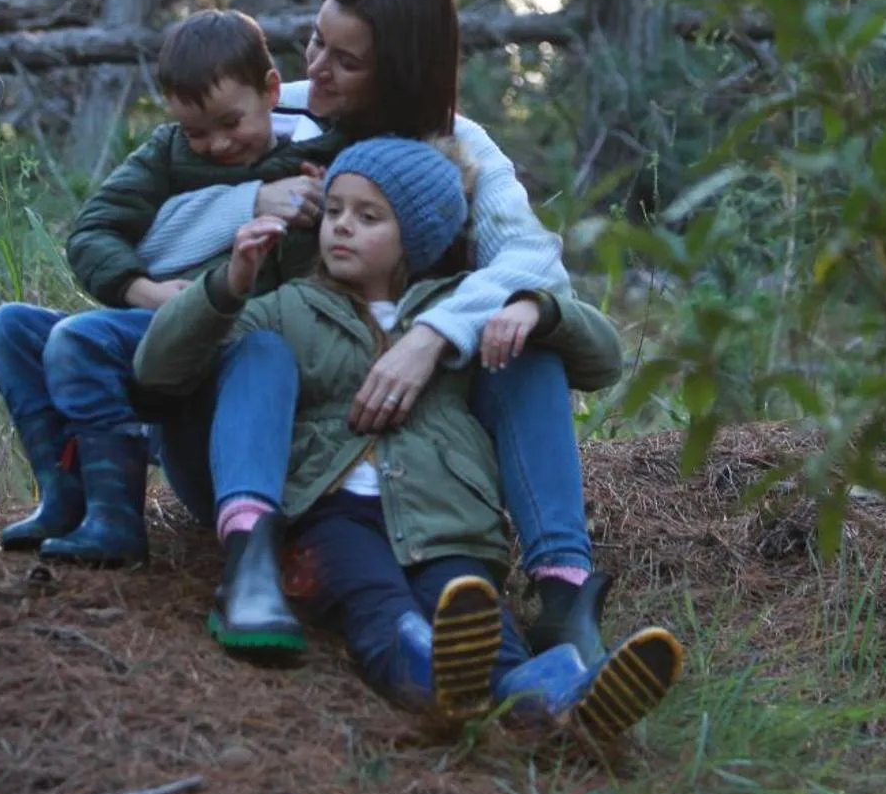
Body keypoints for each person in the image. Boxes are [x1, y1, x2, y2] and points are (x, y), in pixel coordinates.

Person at [138, 0, 619, 667]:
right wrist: (253, 201)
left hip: (412, 447)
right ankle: (245, 549)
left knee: (528, 332)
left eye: (346, 59)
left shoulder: (460, 147)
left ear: (398, 71)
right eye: (315, 42)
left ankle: (562, 594)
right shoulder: (268, 113)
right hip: (272, 428)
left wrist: (431, 336)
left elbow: (532, 259)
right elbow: (141, 238)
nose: (316, 68)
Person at [133, 137, 682, 738]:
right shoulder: (288, 308)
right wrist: (228, 285)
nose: (341, 227)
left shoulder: (457, 308)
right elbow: (157, 366)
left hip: (446, 518)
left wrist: (536, 309)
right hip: (329, 515)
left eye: (368, 217)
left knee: (474, 614)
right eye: (335, 210)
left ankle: (562, 697)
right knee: (381, 607)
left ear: (415, 239)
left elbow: (603, 358)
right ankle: (435, 683)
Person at [0, 9, 340, 564]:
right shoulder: (168, 153)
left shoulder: (319, 160)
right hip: (158, 322)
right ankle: (66, 494)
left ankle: (117, 521)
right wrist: (147, 291)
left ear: (271, 90)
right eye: (197, 130)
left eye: (231, 122)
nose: (218, 144)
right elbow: (92, 232)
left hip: (234, 347)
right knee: (9, 328)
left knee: (78, 339)